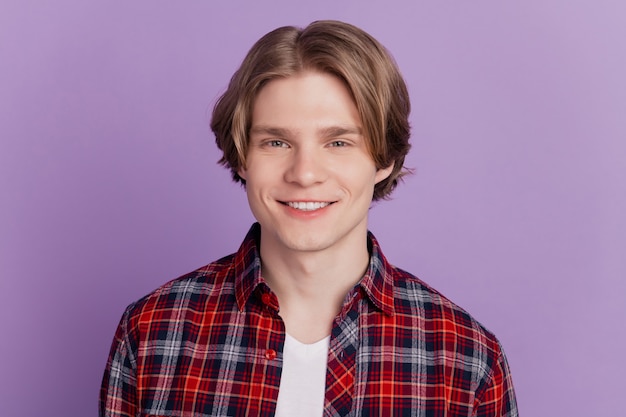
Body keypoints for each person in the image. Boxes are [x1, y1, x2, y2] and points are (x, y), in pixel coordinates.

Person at [100, 20, 518, 416]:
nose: (304, 174)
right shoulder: (153, 332)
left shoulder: (466, 359)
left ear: (385, 160)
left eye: (338, 142)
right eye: (276, 141)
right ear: (242, 156)